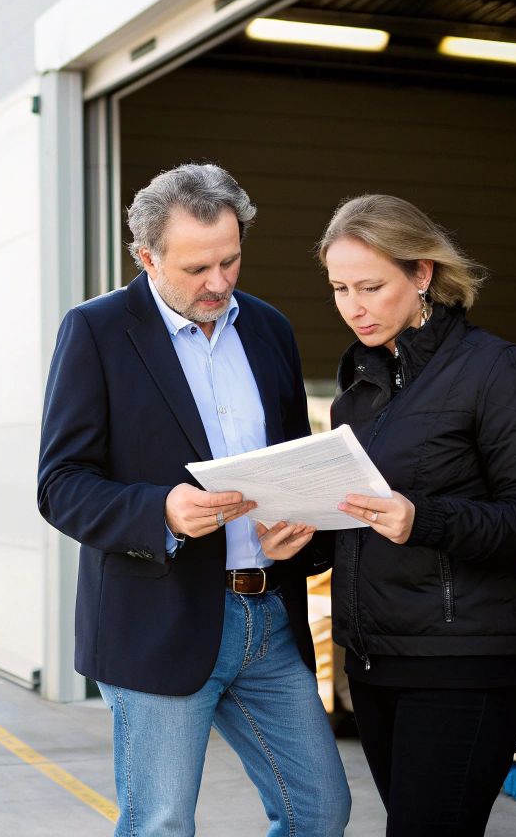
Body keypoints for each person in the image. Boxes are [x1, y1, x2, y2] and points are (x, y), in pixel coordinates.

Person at [38, 163, 349, 837]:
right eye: (196, 267)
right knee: (162, 825)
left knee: (321, 812)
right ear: (148, 257)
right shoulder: (96, 332)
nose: (218, 283)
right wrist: (161, 512)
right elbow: (60, 485)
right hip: (158, 621)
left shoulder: (270, 330)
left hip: (268, 621)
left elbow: (293, 463)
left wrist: (303, 527)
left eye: (230, 261)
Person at [317, 194, 516, 836]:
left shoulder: (502, 372)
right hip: (375, 665)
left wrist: (422, 519)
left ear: (423, 273)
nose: (354, 306)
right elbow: (360, 523)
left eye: (372, 286)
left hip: (463, 666)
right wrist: (306, 534)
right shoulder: (357, 394)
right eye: (340, 288)